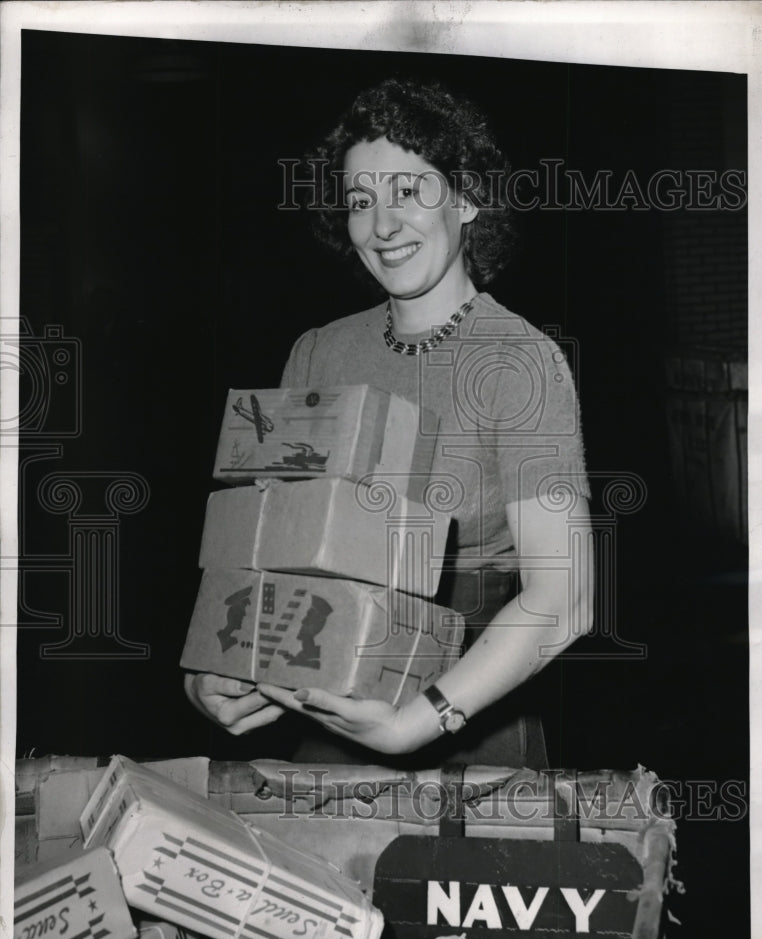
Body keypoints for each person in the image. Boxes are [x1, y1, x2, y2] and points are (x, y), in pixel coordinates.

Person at [184, 78, 593, 769]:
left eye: (408, 191)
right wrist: (211, 666)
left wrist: (418, 721)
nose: (381, 225)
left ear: (465, 199)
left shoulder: (519, 361)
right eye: (360, 201)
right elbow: (261, 550)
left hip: (470, 723)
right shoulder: (317, 351)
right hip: (329, 706)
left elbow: (566, 596)